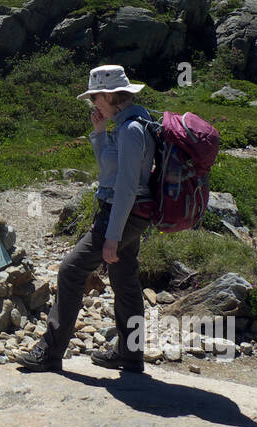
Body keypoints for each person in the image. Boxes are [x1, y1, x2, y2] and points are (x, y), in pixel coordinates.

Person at [17, 65, 155, 374]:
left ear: (107, 94)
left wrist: (112, 235)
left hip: (122, 214)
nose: (93, 103)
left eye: (94, 97)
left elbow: (126, 187)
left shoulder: (132, 130)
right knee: (124, 280)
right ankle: (130, 354)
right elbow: (110, 171)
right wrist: (98, 133)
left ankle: (50, 352)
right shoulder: (126, 123)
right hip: (128, 214)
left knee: (70, 270)